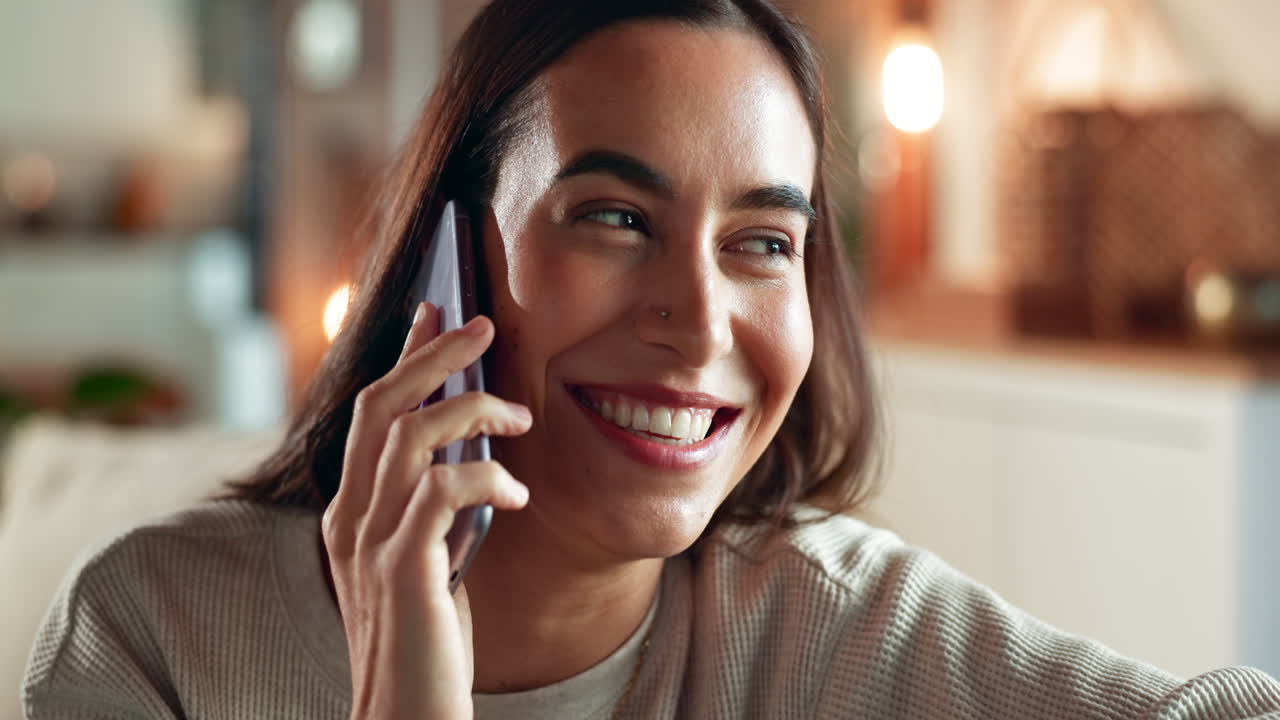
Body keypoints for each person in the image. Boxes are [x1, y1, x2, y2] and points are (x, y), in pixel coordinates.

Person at [21, 1, 1280, 718]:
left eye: (761, 242)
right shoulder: (153, 634)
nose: (701, 321)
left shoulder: (835, 629)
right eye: (615, 219)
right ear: (453, 260)